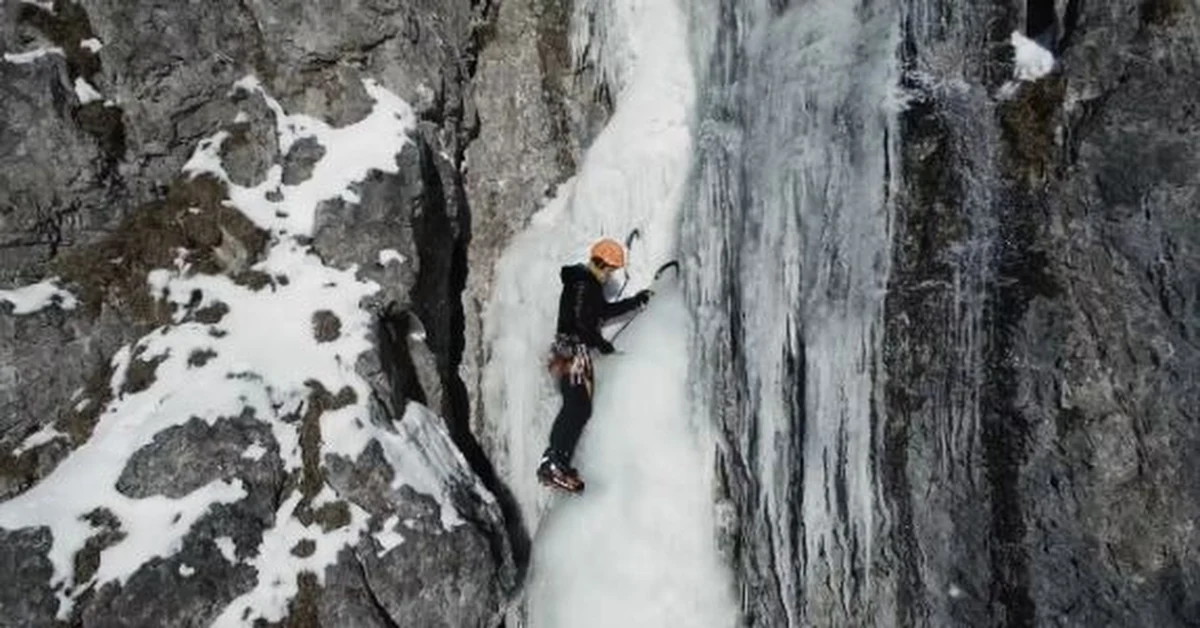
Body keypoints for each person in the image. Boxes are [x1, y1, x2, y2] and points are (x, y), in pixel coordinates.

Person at [537, 237, 652, 492]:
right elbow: (581, 321)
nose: (609, 275)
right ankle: (554, 461)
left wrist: (636, 301)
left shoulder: (586, 285)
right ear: (599, 263)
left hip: (567, 350)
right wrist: (600, 344)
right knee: (577, 407)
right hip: (572, 350)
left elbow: (601, 313)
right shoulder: (582, 283)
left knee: (577, 407)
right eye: (609, 269)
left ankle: (557, 461)